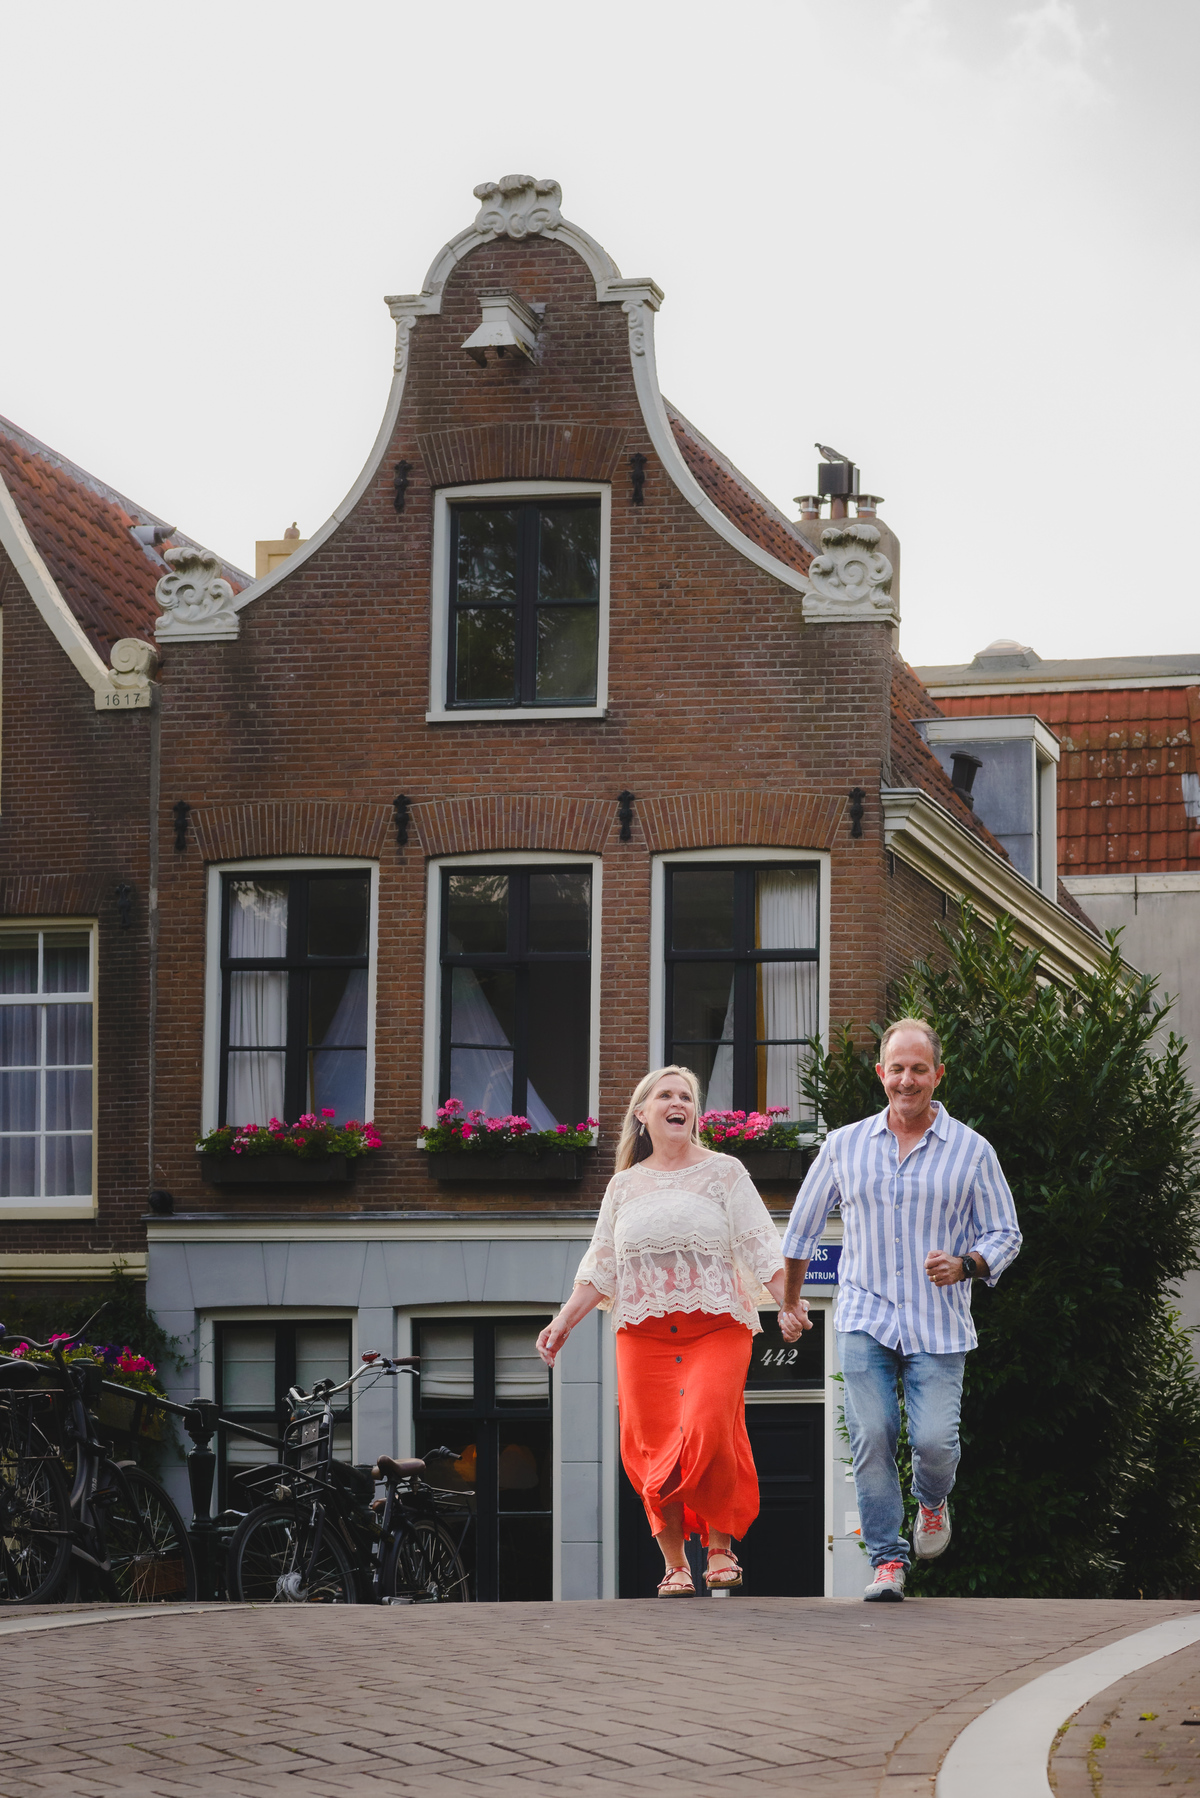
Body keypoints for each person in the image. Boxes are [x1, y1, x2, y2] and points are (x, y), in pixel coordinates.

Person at [537, 1065, 808, 1596]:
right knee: (649, 1443)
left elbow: (758, 1243)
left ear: (693, 1114)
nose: (678, 1102)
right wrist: (562, 1321)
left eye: (686, 1096)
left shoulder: (725, 1172)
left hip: (717, 1326)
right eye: (666, 1095)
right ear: (643, 1114)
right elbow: (602, 1265)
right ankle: (675, 1563)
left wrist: (788, 1303)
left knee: (710, 1427)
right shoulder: (623, 1187)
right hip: (643, 1332)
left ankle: (721, 1548)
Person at [779, 1019, 1021, 1603]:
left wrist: (967, 1264)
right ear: (880, 1073)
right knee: (873, 1432)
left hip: (938, 1323)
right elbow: (802, 1228)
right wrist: (789, 1300)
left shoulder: (971, 1150)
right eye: (897, 1068)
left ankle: (933, 1502)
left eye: (919, 1069)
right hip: (864, 1314)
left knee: (935, 1443)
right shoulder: (844, 1146)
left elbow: (1005, 1234)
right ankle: (889, 1560)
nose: (906, 1080)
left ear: (938, 1075)